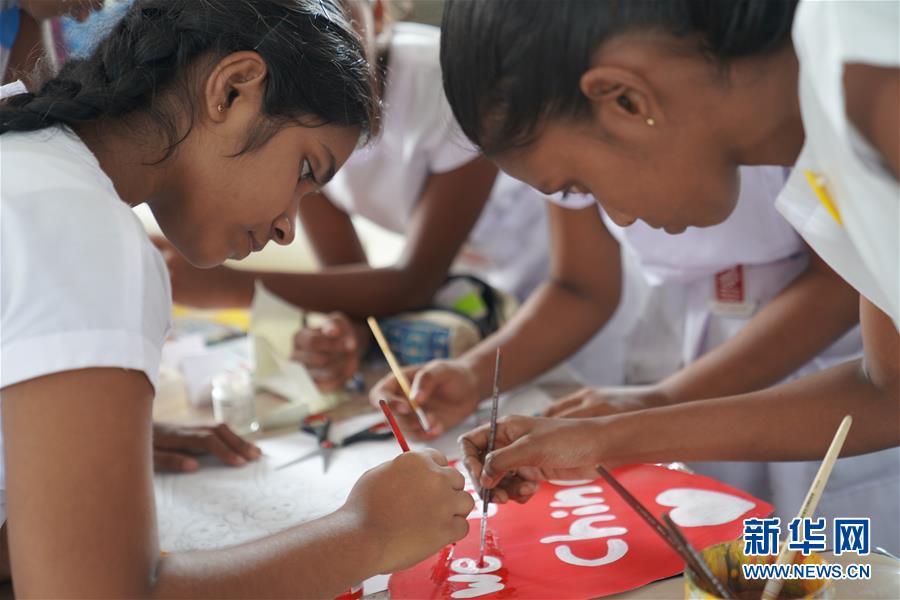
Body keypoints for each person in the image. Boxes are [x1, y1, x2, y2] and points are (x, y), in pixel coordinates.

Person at [0, 1, 472, 595]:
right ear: (232, 89)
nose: (287, 229)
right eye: (306, 169)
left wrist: (82, 456)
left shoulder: (30, 163)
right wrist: (367, 532)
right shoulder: (84, 232)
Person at [438, 0, 898, 544]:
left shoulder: (870, 79)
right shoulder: (821, 138)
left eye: (579, 186)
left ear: (627, 100)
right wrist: (609, 436)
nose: (621, 218)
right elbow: (885, 391)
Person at [160, 0, 638, 391]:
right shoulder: (295, 121)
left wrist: (226, 285)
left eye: (331, 12)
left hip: (570, 293)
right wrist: (342, 333)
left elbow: (413, 281)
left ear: (380, 12)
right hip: (485, 303)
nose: (315, 38)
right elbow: (349, 281)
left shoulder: (446, 87)